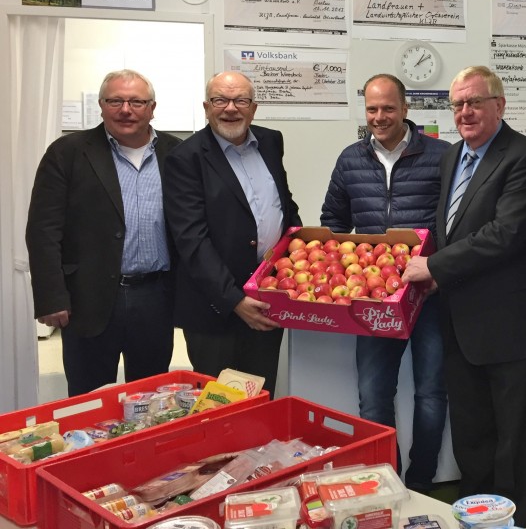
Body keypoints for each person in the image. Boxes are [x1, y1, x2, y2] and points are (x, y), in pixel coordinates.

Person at [401, 66, 526, 526]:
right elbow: (450, 228)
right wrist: (433, 272)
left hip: (513, 326)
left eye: (474, 102)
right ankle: (474, 513)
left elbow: (504, 234)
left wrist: (435, 266)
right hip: (461, 321)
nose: (465, 112)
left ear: (499, 105)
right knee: (472, 433)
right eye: (458, 105)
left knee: (515, 438)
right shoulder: (453, 157)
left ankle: (512, 519)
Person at [320, 73, 450, 491]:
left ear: (406, 109)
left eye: (388, 108)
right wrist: (346, 262)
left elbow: (454, 222)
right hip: (372, 299)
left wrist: (439, 269)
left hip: (429, 295)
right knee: (373, 395)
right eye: (372, 109)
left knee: (431, 394)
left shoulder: (442, 155)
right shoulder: (350, 158)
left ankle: (422, 480)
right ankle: (386, 477)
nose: (379, 117)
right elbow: (333, 221)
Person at [26, 69, 180, 396]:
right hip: (88, 299)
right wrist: (51, 296)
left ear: (152, 108)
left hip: (155, 297)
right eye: (116, 101)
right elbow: (43, 230)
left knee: (151, 398)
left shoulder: (177, 154)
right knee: (88, 400)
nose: (126, 109)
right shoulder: (68, 153)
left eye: (137, 101)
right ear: (101, 105)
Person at [163, 71, 301, 397]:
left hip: (268, 297)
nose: (230, 108)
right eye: (220, 100)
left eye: (240, 100)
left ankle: (256, 451)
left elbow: (284, 207)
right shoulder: (186, 158)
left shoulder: (270, 141)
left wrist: (300, 259)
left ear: (253, 107)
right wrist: (235, 300)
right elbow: (191, 240)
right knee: (219, 404)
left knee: (261, 394)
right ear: (206, 107)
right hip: (215, 310)